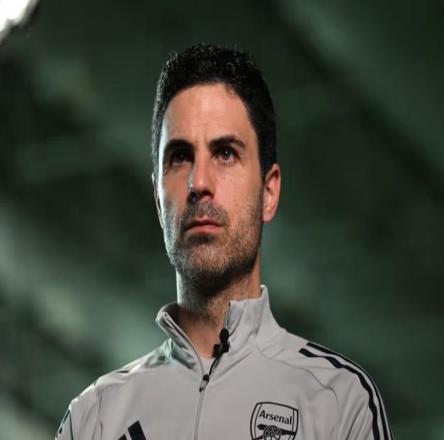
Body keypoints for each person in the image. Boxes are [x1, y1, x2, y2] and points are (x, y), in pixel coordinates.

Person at [56, 43, 392, 440]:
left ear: (268, 192)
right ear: (158, 199)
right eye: (180, 157)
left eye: (226, 153)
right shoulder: (94, 418)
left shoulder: (338, 401)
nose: (199, 182)